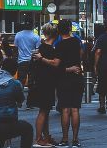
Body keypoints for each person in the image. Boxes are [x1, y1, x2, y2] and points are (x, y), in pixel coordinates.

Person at [27, 23, 60, 148]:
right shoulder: (50, 49)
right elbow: (55, 65)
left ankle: (46, 136)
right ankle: (39, 138)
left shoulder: (40, 48)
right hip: (47, 83)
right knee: (43, 111)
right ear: (55, 35)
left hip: (41, 82)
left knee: (45, 111)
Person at [53, 19, 85, 147]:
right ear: (70, 29)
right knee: (75, 110)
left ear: (59, 30)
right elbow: (81, 55)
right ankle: (76, 139)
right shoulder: (77, 42)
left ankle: (65, 139)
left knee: (65, 109)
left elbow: (56, 64)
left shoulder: (60, 45)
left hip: (64, 79)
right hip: (77, 78)